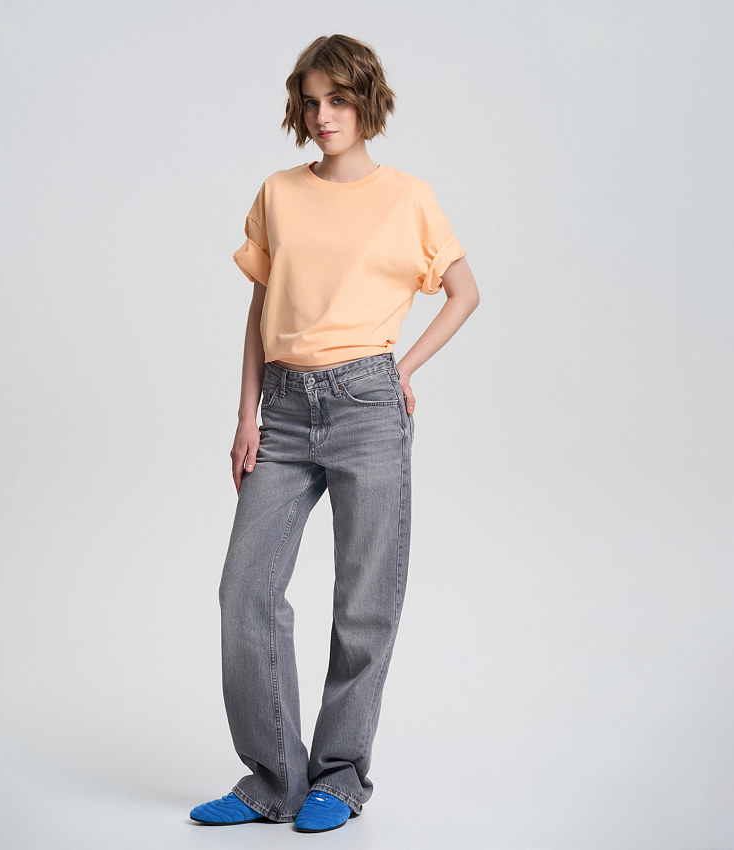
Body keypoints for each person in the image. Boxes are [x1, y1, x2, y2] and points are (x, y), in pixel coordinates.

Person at [190, 33, 480, 834]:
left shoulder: (409, 197)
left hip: (366, 405)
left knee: (364, 603)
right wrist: (245, 414)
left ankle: (340, 777)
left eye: (339, 100)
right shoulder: (279, 193)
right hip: (283, 410)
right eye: (312, 102)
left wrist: (402, 369)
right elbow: (261, 307)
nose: (323, 116)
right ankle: (273, 779)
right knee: (245, 592)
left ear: (366, 102)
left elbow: (464, 291)